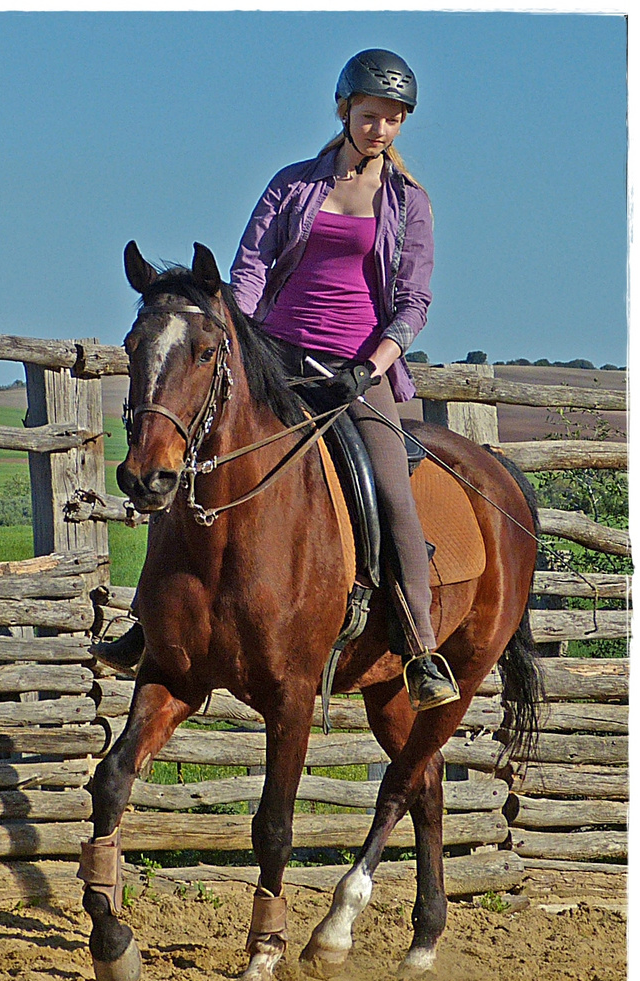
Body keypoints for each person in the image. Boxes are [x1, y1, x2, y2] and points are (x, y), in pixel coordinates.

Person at [95, 48, 459, 711]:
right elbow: (253, 265)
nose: (380, 129)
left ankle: (420, 648)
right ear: (345, 111)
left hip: (356, 368)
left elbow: (413, 303)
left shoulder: (410, 204)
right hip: (276, 355)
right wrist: (247, 337)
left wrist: (370, 366)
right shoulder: (293, 185)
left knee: (391, 491)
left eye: (394, 120)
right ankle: (150, 622)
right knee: (196, 466)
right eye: (370, 115)